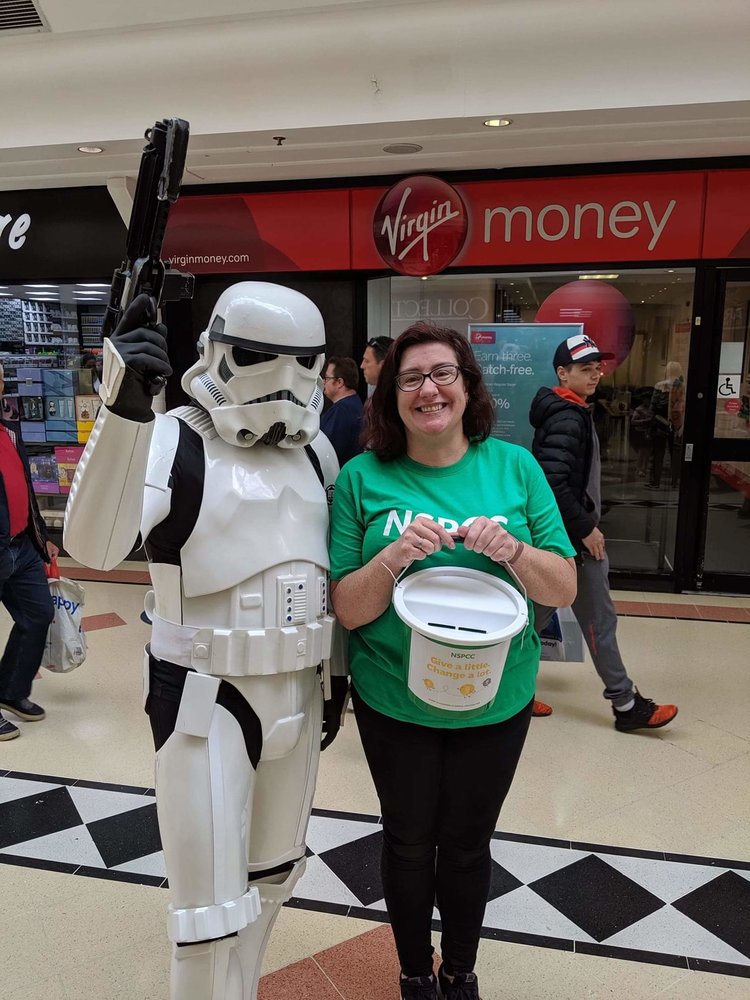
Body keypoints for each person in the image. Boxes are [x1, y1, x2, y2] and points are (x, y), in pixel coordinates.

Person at [64, 283, 348, 1000]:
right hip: (204, 698)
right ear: (215, 351)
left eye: (303, 362)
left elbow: (327, 577)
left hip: (300, 690)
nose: (284, 380)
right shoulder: (172, 440)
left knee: (274, 878)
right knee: (207, 918)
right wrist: (126, 410)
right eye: (258, 357)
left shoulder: (319, 456)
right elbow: (93, 546)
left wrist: (335, 675)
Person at [329, 322, 576, 1000]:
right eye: (410, 378)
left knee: (467, 845)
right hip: (392, 698)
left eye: (443, 373)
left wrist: (514, 551)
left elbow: (564, 588)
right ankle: (414, 972)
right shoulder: (360, 478)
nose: (428, 390)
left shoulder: (515, 468)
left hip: (496, 700)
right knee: (408, 842)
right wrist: (394, 554)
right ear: (390, 395)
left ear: (468, 386)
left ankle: (460, 971)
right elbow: (347, 607)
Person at [529, 334, 679, 731]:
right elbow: (551, 482)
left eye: (597, 368)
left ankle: (508, 689)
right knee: (599, 620)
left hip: (561, 538)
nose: (595, 374)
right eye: (585, 368)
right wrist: (586, 529)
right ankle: (626, 705)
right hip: (572, 542)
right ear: (562, 373)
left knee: (532, 618)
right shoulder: (566, 417)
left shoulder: (574, 411)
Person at [0, 362, 58, 741]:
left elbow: (24, 487)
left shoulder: (9, 429)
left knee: (38, 614)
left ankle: (10, 690)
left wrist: (41, 537)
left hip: (21, 546)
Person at [320, 356, 364, 466]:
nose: (324, 382)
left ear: (339, 382)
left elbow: (325, 451)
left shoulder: (342, 411)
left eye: (327, 378)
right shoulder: (354, 404)